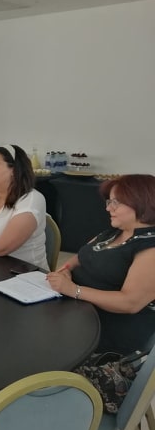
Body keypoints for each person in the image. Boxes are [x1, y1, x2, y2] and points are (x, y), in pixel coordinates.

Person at [47, 174, 155, 413]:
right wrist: (65, 271)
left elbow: (130, 302)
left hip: (112, 339)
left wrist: (74, 290)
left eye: (116, 202)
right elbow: (79, 257)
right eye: (109, 201)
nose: (108, 208)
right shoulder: (113, 233)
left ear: (142, 203)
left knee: (37, 356)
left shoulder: (150, 247)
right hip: (81, 316)